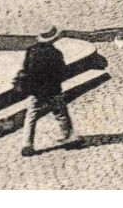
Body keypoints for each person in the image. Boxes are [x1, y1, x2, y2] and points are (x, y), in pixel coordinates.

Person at [19, 26, 82, 156]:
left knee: (31, 116)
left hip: (35, 90)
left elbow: (26, 69)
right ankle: (68, 136)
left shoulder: (31, 51)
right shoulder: (56, 53)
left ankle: (27, 144)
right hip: (53, 90)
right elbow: (62, 72)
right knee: (61, 113)